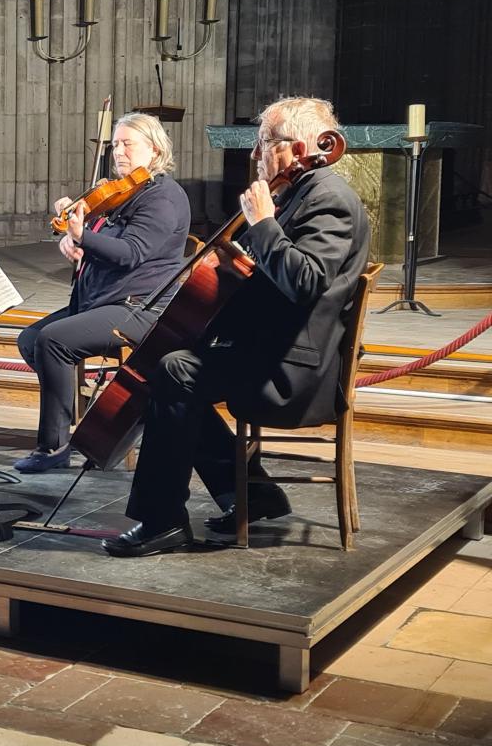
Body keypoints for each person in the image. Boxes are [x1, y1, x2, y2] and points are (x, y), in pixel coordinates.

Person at [103, 96, 371, 557]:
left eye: (263, 141)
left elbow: (306, 281)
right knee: (175, 372)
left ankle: (162, 520)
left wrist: (262, 222)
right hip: (269, 348)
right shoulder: (299, 192)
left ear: (298, 147)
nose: (255, 153)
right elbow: (271, 271)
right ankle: (253, 495)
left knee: (175, 372)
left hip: (293, 371)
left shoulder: (330, 200)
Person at [14, 113, 190, 473]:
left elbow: (130, 253)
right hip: (103, 300)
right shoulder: (124, 192)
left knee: (53, 341)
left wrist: (83, 236)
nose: (118, 151)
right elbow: (104, 242)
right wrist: (77, 243)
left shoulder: (163, 198)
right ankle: (80, 421)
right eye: (115, 144)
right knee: (30, 339)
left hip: (140, 308)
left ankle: (53, 447)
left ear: (155, 150)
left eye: (127, 144)